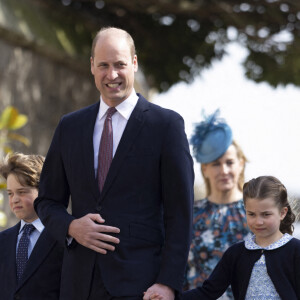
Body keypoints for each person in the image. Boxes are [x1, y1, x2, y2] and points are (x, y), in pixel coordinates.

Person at [34, 27, 194, 300]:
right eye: (103, 65)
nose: (112, 75)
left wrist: (168, 282)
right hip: (78, 284)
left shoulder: (165, 125)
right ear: (92, 67)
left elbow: (180, 213)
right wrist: (71, 227)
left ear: (134, 63)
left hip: (142, 286)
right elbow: (47, 201)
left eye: (120, 64)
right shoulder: (69, 127)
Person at [181, 175, 300, 300]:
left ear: (282, 213)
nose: (258, 221)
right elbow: (208, 292)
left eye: (266, 214)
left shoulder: (296, 251)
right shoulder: (235, 254)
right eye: (252, 214)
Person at [184, 110, 250, 299]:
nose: (224, 170)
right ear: (204, 168)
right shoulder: (190, 215)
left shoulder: (257, 214)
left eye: (229, 162)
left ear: (241, 163)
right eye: (215, 164)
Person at [0, 152, 63, 300]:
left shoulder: (64, 238)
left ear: (43, 191)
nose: (14, 199)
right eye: (10, 193)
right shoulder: (2, 241)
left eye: (22, 192)